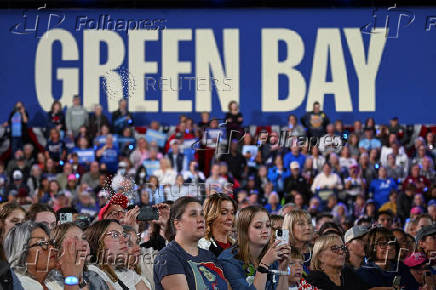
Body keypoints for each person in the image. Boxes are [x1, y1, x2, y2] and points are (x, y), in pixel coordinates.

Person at [154, 196, 230, 289]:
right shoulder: (167, 257)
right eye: (193, 214)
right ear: (178, 224)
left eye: (202, 214)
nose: (201, 219)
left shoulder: (210, 256)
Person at [218, 206, 290, 289]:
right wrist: (264, 265)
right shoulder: (228, 260)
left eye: (268, 225)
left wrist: (283, 269)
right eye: (258, 226)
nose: (265, 231)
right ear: (244, 230)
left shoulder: (271, 256)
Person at [4, 221, 84, 289]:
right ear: (21, 253)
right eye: (41, 243)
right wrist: (72, 275)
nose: (52, 248)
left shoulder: (52, 281)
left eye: (50, 243)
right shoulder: (21, 284)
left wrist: (78, 275)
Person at [84, 219, 151, 289]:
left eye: (123, 235)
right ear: (98, 240)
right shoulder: (91, 272)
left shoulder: (128, 273)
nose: (125, 240)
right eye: (115, 235)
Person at [49, 222, 108, 289]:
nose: (84, 243)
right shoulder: (51, 281)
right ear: (58, 248)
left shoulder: (94, 276)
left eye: (84, 238)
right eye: (75, 240)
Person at [282, 209, 314, 276]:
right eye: (301, 224)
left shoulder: (317, 253)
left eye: (309, 223)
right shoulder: (282, 254)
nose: (308, 227)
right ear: (290, 228)